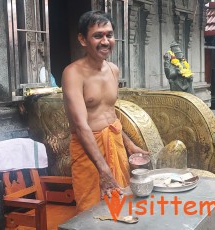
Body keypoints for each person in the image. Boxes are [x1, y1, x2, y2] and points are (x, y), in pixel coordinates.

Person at [62, 10, 148, 212]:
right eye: (97, 36)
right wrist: (104, 170)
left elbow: (110, 114)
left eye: (109, 35)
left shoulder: (113, 70)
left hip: (114, 143)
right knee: (91, 212)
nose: (105, 41)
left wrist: (129, 144)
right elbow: (81, 126)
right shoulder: (73, 73)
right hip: (88, 153)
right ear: (83, 40)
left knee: (122, 207)